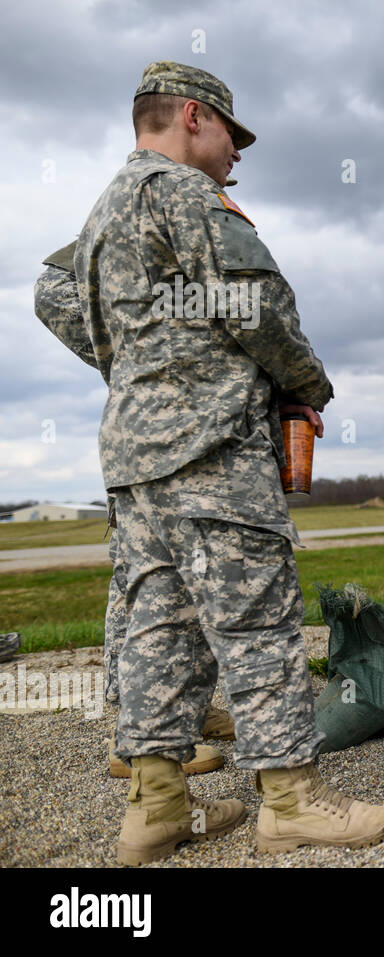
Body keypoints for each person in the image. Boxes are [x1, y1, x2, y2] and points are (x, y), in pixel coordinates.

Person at [56, 60, 384, 864]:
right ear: (189, 116)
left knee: (157, 627)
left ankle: (156, 809)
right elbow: (258, 305)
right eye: (229, 134)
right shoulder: (181, 194)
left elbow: (84, 322)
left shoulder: (102, 213)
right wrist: (308, 382)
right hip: (212, 447)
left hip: (135, 460)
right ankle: (290, 799)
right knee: (256, 620)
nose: (237, 154)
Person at [35, 243, 236, 778]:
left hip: (184, 443)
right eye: (231, 150)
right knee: (144, 581)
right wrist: (137, 361)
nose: (232, 159)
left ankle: (183, 714)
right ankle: (137, 736)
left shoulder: (193, 218)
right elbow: (51, 291)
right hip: (147, 450)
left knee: (190, 582)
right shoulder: (142, 205)